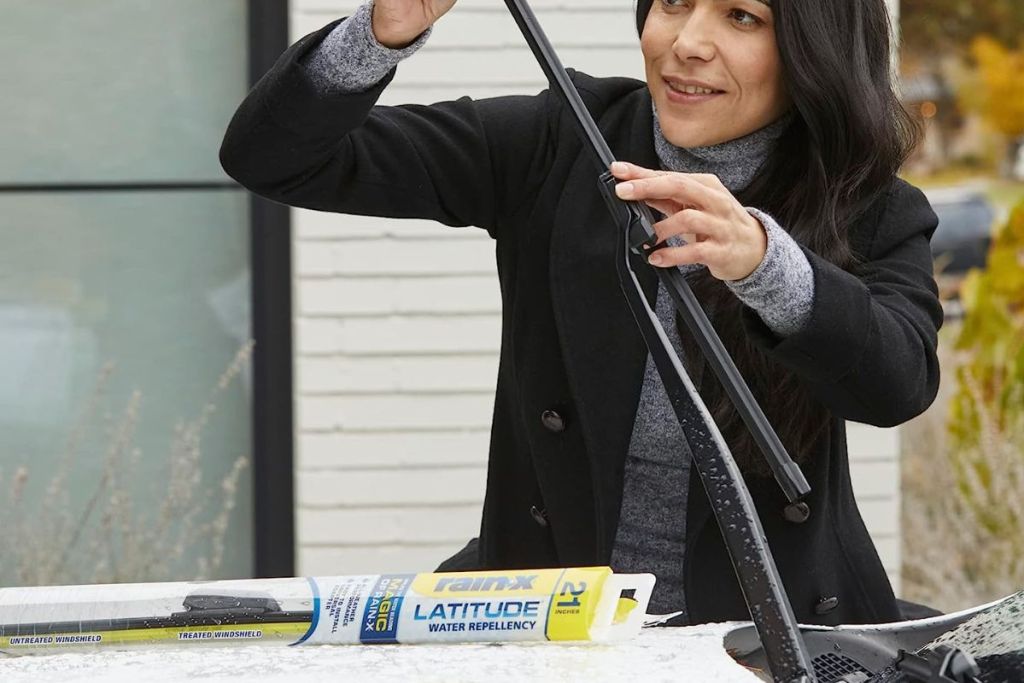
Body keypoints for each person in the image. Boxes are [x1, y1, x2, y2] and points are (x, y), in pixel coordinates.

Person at [221, 0, 943, 626]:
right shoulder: (562, 140)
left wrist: (765, 264)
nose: (687, 41)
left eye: (743, 17)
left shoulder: (871, 208)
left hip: (771, 631)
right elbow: (275, 157)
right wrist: (381, 32)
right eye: (672, 3)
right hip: (549, 614)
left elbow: (896, 383)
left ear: (813, 52)